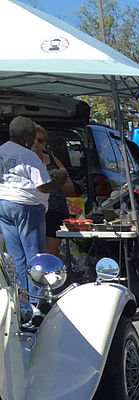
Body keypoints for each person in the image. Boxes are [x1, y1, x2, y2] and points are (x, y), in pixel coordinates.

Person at [0, 115, 68, 296]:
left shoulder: (1, 150)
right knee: (35, 256)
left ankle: (24, 300)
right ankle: (38, 299)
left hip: (4, 204)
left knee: (17, 257)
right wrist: (60, 180)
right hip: (27, 206)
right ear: (25, 136)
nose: (33, 141)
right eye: (32, 136)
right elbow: (43, 186)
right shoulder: (27, 155)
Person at [34, 124, 76, 255]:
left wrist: (56, 182)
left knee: (51, 251)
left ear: (45, 143)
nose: (36, 143)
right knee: (34, 250)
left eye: (40, 140)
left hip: (54, 211)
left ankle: (51, 274)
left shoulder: (52, 160)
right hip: (32, 210)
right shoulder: (22, 160)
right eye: (33, 139)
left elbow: (70, 187)